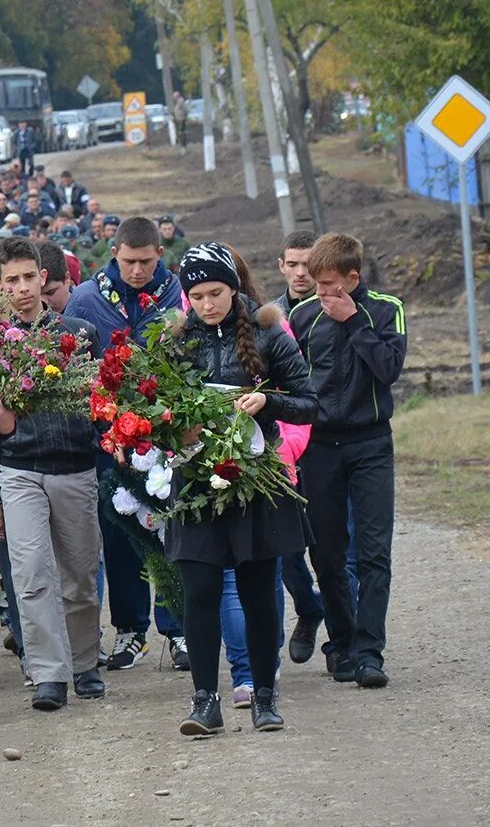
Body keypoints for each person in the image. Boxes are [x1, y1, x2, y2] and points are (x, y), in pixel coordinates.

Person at [164, 243, 317, 736]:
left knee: (258, 592)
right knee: (201, 592)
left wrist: (265, 402)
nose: (207, 304)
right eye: (197, 295)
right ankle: (204, 701)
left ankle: (266, 698)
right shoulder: (174, 340)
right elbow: (153, 408)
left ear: (234, 287)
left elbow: (309, 402)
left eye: (216, 292)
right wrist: (172, 427)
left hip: (254, 480)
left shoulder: (270, 331)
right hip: (195, 479)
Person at [0, 237, 104, 711]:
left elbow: (95, 404)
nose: (21, 289)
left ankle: (84, 663)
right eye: (11, 281)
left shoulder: (76, 334)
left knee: (79, 574)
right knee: (31, 572)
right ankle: (48, 674)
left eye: (28, 278)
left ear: (44, 278)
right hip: (19, 471)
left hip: (75, 467)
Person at [64, 217, 184, 673]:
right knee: (119, 535)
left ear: (159, 254)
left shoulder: (175, 293)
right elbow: (75, 370)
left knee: (168, 529)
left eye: (147, 262)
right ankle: (131, 630)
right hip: (109, 438)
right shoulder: (87, 298)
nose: (138, 271)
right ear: (114, 252)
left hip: (164, 434)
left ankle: (176, 629)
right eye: (130, 261)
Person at [288, 233, 407, 689]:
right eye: (316, 285)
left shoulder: (385, 309)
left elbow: (389, 370)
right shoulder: (301, 316)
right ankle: (341, 642)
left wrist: (355, 321)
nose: (320, 294)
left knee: (375, 551)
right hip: (319, 446)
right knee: (327, 550)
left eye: (330, 285)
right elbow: (288, 380)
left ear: (353, 279)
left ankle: (370, 650)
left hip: (371, 442)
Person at [266, 229, 326, 664]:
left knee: (337, 545)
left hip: (331, 442)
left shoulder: (337, 309)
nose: (302, 273)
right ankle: (308, 608)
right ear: (281, 266)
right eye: (294, 264)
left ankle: (347, 638)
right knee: (287, 549)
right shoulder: (267, 318)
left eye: (310, 264)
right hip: (283, 446)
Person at [273, 229, 318, 315]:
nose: (300, 273)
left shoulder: (337, 312)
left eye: (308, 265)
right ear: (281, 265)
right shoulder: (268, 318)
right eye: (292, 265)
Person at [37, 240, 75, 314]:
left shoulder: (87, 312)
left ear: (67, 279)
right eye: (37, 295)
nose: (43, 301)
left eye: (50, 292)